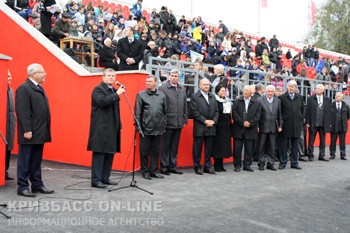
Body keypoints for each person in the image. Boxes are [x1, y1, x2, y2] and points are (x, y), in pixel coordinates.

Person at [15, 64, 54, 197]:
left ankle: (37, 185)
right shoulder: (24, 88)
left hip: (39, 132)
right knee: (25, 161)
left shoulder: (38, 88)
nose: (45, 74)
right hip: (29, 133)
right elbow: (22, 111)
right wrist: (27, 129)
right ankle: (23, 186)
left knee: (36, 161)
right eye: (43, 72)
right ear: (33, 74)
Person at [87, 69, 125, 188]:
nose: (111, 78)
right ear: (103, 77)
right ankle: (96, 180)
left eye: (113, 76)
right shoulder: (98, 89)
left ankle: (105, 178)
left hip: (112, 127)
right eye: (109, 76)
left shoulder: (113, 90)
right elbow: (102, 102)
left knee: (109, 153)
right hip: (101, 127)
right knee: (100, 154)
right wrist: (117, 94)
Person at [135, 75, 167, 180]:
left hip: (158, 129)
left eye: (150, 81)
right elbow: (137, 113)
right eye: (147, 81)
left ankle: (153, 171)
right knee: (144, 152)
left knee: (155, 151)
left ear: (155, 83)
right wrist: (139, 128)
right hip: (145, 129)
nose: (148, 83)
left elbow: (165, 112)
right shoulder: (141, 95)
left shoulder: (162, 96)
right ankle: (145, 171)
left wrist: (164, 125)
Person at [158, 69, 187, 175]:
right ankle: (164, 166)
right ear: (169, 76)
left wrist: (185, 119)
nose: (174, 77)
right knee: (165, 145)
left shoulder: (182, 88)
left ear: (179, 77)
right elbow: (160, 105)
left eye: (176, 76)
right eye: (172, 75)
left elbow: (184, 104)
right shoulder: (163, 88)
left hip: (179, 122)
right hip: (168, 122)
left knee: (175, 146)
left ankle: (172, 166)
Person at [190, 78, 219, 175]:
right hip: (199, 127)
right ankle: (197, 167)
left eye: (208, 84)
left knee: (208, 149)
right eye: (204, 84)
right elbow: (194, 112)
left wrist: (213, 121)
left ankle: (207, 166)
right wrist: (205, 121)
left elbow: (217, 111)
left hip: (211, 127)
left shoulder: (213, 96)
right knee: (197, 149)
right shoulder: (194, 96)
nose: (206, 86)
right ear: (200, 86)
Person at [231, 85, 261, 172]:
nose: (245, 92)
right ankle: (237, 165)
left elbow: (258, 115)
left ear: (252, 92)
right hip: (238, 128)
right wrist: (242, 122)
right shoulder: (237, 101)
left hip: (250, 129)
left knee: (249, 148)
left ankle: (247, 165)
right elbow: (234, 113)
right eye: (244, 90)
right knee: (237, 149)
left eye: (247, 91)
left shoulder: (256, 103)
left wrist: (250, 123)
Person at [278, 81, 303, 170]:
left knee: (295, 146)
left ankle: (294, 163)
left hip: (296, 125)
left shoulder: (300, 97)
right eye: (289, 86)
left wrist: (300, 119)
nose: (291, 88)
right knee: (284, 146)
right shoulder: (282, 97)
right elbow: (279, 112)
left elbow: (302, 110)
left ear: (296, 88)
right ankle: (283, 162)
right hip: (285, 125)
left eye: (292, 86)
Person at [257, 85, 282, 171]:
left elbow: (280, 115)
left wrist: (280, 126)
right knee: (261, 146)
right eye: (269, 91)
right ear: (265, 92)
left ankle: (271, 164)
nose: (270, 93)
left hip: (273, 127)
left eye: (272, 91)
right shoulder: (259, 100)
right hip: (262, 127)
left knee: (272, 146)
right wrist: (257, 126)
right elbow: (257, 115)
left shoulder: (278, 101)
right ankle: (261, 163)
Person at [305, 84, 331, 162]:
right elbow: (307, 111)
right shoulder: (310, 99)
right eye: (317, 88)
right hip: (313, 123)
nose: (317, 90)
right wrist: (307, 122)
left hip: (323, 123)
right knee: (311, 140)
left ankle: (322, 155)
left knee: (323, 141)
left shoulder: (327, 99)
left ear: (323, 90)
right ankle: (310, 155)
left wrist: (329, 122)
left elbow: (329, 112)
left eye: (319, 89)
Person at [211, 83, 232, 172]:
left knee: (224, 147)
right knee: (218, 146)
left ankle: (221, 165)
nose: (224, 92)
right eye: (222, 91)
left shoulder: (227, 101)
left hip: (226, 126)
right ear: (217, 92)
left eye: (225, 91)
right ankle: (216, 165)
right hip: (218, 126)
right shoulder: (215, 100)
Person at [330, 92, 350, 160]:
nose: (336, 97)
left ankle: (343, 154)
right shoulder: (331, 105)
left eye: (338, 96)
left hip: (342, 126)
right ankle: (332, 154)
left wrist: (344, 121)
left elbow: (348, 116)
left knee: (342, 142)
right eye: (336, 96)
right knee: (333, 141)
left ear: (342, 98)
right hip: (334, 126)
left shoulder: (346, 106)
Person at [5, 71, 16, 181]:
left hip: (11, 120)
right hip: (3, 121)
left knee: (9, 146)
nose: (10, 78)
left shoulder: (11, 90)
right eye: (8, 76)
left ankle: (5, 170)